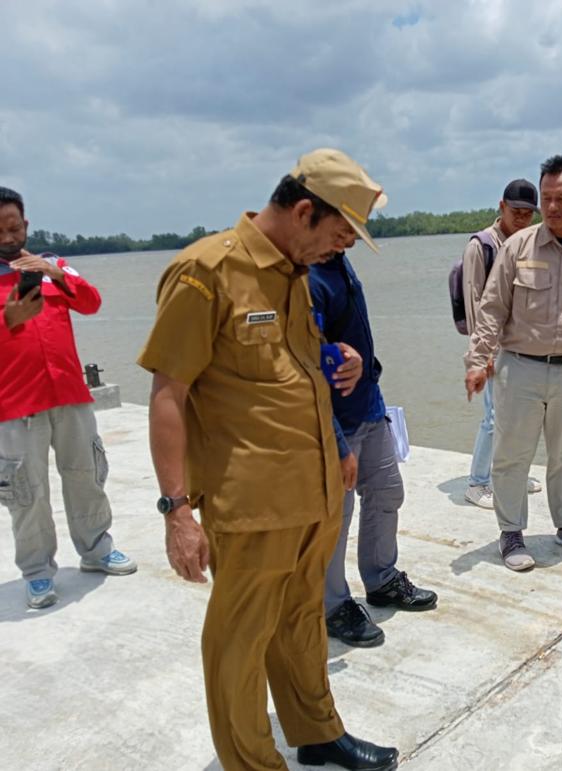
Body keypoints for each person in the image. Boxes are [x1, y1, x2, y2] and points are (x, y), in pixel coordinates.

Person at [139, 150, 398, 771]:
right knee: (239, 642)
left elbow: (290, 375)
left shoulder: (296, 274)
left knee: (304, 620)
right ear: (303, 211)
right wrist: (177, 512)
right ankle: (252, 762)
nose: (336, 251)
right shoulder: (206, 271)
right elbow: (169, 393)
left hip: (314, 493)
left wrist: (341, 389)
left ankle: (316, 732)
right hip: (251, 503)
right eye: (335, 236)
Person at [465, 155, 562, 572]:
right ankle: (511, 532)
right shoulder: (518, 248)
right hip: (520, 368)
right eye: (547, 198)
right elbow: (491, 309)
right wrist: (478, 361)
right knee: (512, 454)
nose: (552, 207)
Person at [0, 186, 136, 610]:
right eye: (0, 230)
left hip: (70, 395)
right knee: (28, 493)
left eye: (14, 226)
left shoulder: (55, 266)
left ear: (26, 225)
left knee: (86, 474)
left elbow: (92, 303)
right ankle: (38, 572)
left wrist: (54, 273)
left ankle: (96, 550)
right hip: (16, 405)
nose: (8, 236)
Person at [309, 239, 438, 648]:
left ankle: (381, 579)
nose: (351, 237)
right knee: (336, 516)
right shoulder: (305, 278)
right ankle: (332, 606)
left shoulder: (339, 260)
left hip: (369, 406)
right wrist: (334, 440)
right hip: (336, 424)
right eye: (346, 226)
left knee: (386, 492)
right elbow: (309, 366)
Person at [462, 179, 543, 509]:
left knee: (520, 416)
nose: (522, 218)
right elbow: (474, 303)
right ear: (501, 207)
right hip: (493, 349)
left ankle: (512, 475)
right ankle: (477, 482)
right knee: (494, 417)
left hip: (525, 348)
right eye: (516, 212)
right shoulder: (481, 246)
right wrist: (483, 355)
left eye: (528, 213)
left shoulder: (532, 243)